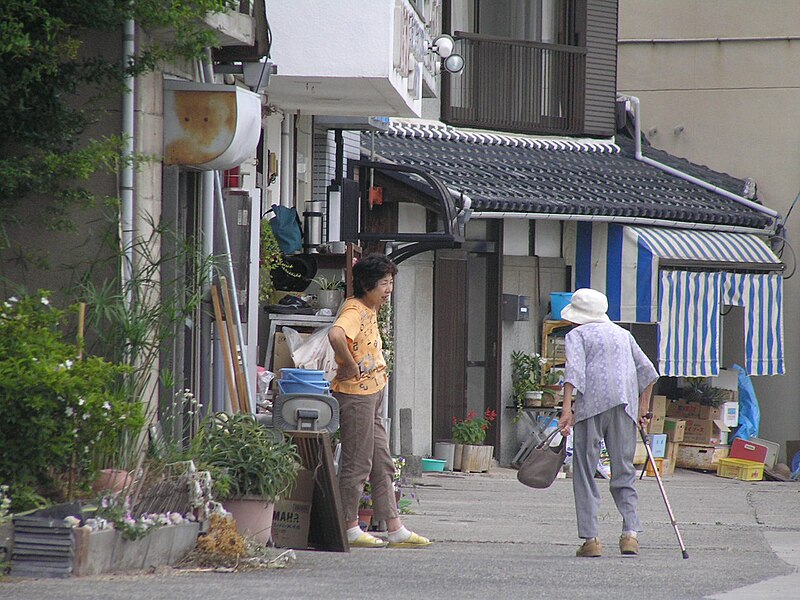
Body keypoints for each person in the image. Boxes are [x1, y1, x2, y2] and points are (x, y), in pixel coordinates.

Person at [328, 253, 432, 549]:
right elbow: (336, 335)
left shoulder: (369, 309)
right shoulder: (354, 308)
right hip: (356, 395)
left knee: (383, 464)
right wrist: (349, 365)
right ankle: (349, 526)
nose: (389, 289)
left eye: (391, 283)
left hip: (371, 394)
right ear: (367, 284)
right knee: (357, 463)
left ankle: (394, 526)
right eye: (384, 283)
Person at [556, 288, 658, 557]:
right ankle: (630, 535)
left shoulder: (576, 335)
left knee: (585, 470)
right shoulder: (623, 334)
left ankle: (591, 540)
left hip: (591, 406)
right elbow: (648, 372)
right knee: (623, 468)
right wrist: (643, 408)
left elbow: (574, 373)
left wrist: (566, 410)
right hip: (625, 406)